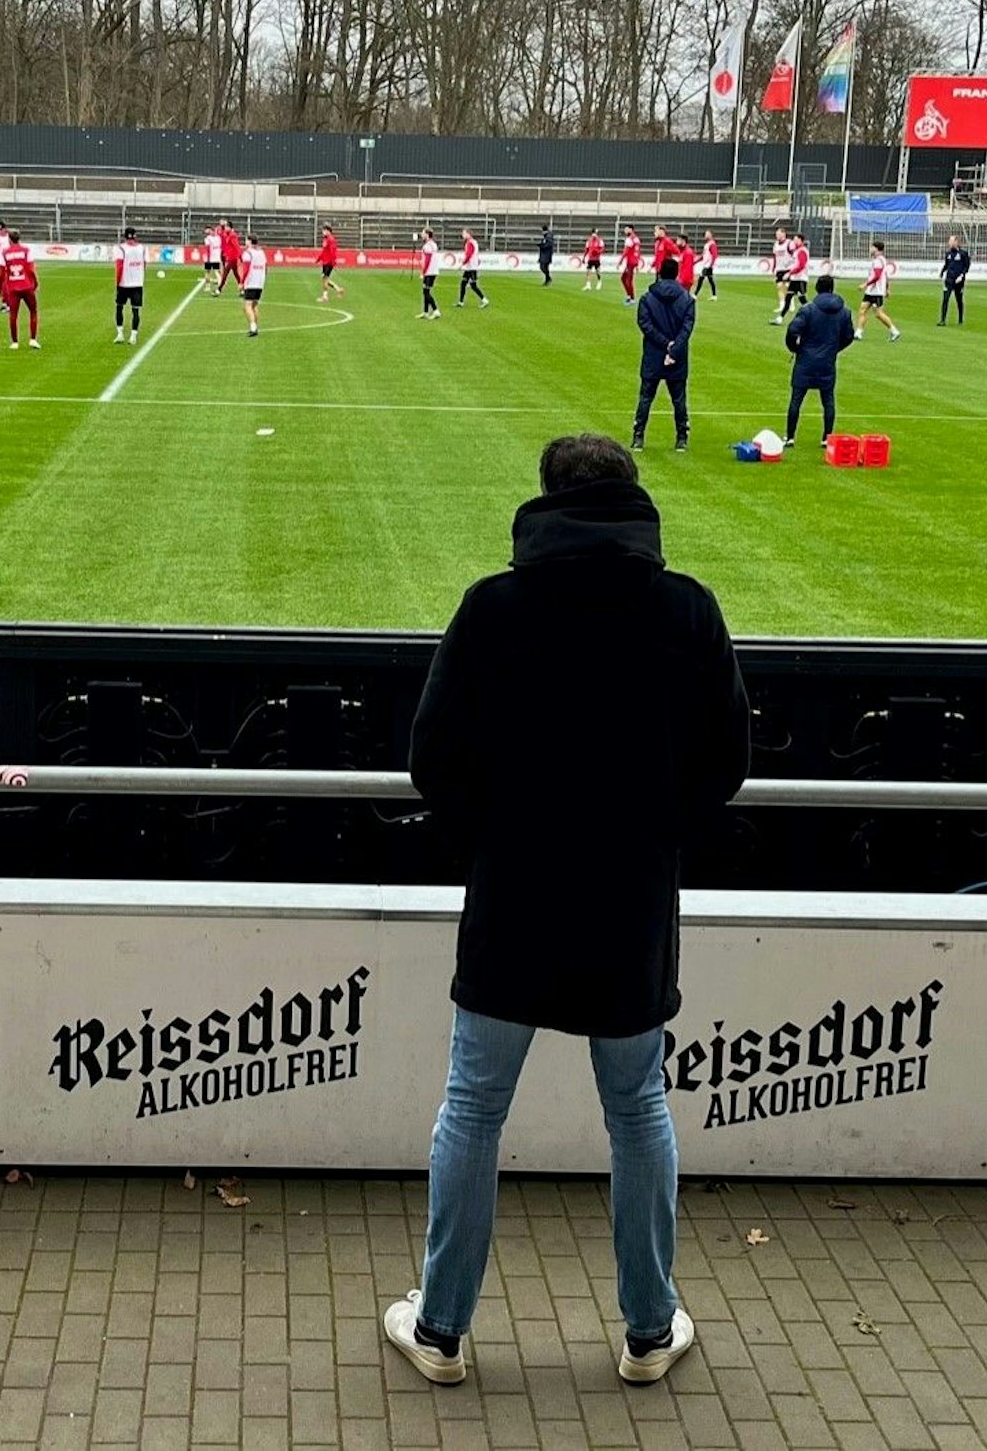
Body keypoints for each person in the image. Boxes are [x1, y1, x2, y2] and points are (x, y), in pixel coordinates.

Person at [388, 430, 751, 1391]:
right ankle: (648, 1329)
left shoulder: (494, 608)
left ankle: (441, 1329)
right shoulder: (686, 610)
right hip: (629, 905)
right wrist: (654, 834)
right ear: (631, 499)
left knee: (474, 1110)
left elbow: (433, 756)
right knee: (637, 1110)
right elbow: (726, 760)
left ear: (548, 498)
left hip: (516, 896)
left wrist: (494, 837)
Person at [785, 274, 857, 446]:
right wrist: (834, 349)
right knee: (828, 401)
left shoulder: (808, 310)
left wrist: (795, 348)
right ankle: (827, 438)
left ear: (817, 288)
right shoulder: (844, 312)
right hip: (827, 362)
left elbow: (792, 331)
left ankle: (790, 436)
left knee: (796, 399)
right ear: (832, 289)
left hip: (805, 360)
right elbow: (849, 337)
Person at [632, 256, 695, 452]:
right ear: (676, 274)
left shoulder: (647, 298)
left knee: (646, 397)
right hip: (677, 356)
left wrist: (664, 343)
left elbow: (645, 324)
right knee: (679, 399)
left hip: (654, 354)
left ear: (659, 273)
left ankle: (638, 436)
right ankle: (681, 438)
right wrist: (673, 348)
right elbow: (687, 328)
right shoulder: (687, 299)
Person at [854, 242, 901, 342]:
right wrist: (887, 288)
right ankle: (858, 333)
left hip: (876, 291)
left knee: (878, 314)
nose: (870, 249)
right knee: (862, 310)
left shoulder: (878, 261)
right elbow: (885, 276)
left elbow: (877, 276)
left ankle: (894, 331)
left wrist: (865, 284)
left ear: (876, 249)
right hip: (871, 291)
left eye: (872, 247)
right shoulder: (881, 260)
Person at [3, 228, 40, 349]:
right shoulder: (26, 250)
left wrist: (0, 288)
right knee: (33, 311)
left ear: (9, 239)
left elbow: (2, 272)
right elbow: (31, 269)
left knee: (13, 314)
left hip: (13, 287)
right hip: (27, 285)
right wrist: (36, 282)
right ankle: (33, 339)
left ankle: (15, 342)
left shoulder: (5, 252)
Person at [113, 226, 146, 343]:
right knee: (135, 310)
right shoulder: (142, 248)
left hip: (124, 283)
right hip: (137, 284)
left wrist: (117, 282)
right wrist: (140, 276)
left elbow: (119, 266)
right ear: (135, 236)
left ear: (125, 236)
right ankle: (133, 336)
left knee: (119, 307)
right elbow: (144, 264)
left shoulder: (121, 248)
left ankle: (120, 334)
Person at [777, 234, 811, 322]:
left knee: (802, 300)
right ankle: (780, 318)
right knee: (788, 298)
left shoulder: (802, 251)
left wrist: (789, 273)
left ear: (801, 240)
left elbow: (801, 266)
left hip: (801, 279)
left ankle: (814, 316)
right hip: (795, 279)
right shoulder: (797, 251)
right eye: (794, 240)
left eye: (796, 240)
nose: (794, 241)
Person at [939, 235, 971, 326]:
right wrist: (942, 272)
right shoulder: (948, 253)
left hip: (958, 281)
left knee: (959, 300)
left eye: (951, 241)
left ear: (956, 242)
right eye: (949, 241)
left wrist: (962, 275)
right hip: (949, 280)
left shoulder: (963, 253)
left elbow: (966, 266)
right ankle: (942, 320)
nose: (949, 243)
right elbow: (946, 265)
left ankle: (960, 319)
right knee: (945, 299)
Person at [240, 234, 268, 336]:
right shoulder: (261, 252)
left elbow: (246, 269)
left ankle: (253, 328)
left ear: (250, 241)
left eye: (246, 240)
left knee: (247, 305)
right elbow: (266, 267)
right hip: (260, 282)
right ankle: (255, 326)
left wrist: (242, 282)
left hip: (251, 282)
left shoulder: (248, 253)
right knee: (254, 305)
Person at [458, 230, 489, 309]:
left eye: (464, 234)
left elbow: (469, 254)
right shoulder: (474, 242)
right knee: (463, 283)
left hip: (471, 267)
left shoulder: (470, 243)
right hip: (471, 267)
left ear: (468, 234)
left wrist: (462, 264)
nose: (462, 235)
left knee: (473, 285)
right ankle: (461, 302)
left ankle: (484, 300)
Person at [768, 226, 792, 321]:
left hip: (788, 268)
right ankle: (782, 305)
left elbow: (794, 254)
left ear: (783, 234)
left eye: (778, 234)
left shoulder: (789, 243)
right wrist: (774, 268)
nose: (777, 236)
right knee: (779, 287)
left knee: (787, 286)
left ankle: (790, 303)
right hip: (779, 268)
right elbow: (775, 257)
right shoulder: (776, 245)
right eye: (776, 234)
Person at [419, 229, 443, 320]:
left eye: (423, 233)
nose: (421, 235)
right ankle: (425, 312)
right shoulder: (433, 244)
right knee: (425, 291)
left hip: (429, 272)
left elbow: (427, 260)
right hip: (433, 271)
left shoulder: (427, 246)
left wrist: (423, 272)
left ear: (427, 234)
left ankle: (436, 310)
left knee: (426, 292)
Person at [318, 226, 345, 302]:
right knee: (325, 279)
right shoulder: (326, 239)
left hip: (328, 262)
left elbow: (333, 251)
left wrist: (333, 262)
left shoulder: (331, 239)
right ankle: (338, 289)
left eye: (324, 230)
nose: (323, 232)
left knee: (325, 279)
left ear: (328, 231)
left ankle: (325, 297)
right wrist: (319, 258)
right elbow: (324, 251)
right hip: (325, 262)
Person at [218, 222, 244, 296]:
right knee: (236, 274)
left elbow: (236, 246)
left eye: (226, 227)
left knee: (225, 273)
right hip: (230, 257)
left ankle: (219, 289)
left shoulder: (232, 236)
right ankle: (242, 289)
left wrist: (240, 256)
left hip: (233, 257)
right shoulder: (227, 234)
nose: (225, 228)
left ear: (230, 228)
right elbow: (221, 233)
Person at [619, 227, 642, 304]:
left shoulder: (629, 239)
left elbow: (626, 251)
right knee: (624, 278)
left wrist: (620, 261)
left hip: (630, 262)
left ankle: (632, 298)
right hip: (634, 261)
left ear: (631, 229)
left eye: (626, 229)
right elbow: (638, 251)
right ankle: (629, 296)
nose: (625, 231)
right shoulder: (636, 239)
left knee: (628, 280)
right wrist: (637, 262)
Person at [695, 231, 718, 299]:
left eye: (707, 234)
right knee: (710, 280)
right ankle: (714, 296)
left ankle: (695, 295)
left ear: (711, 235)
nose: (705, 235)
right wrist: (695, 262)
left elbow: (714, 255)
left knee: (701, 279)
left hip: (708, 265)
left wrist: (711, 265)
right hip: (706, 265)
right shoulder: (707, 245)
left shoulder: (712, 244)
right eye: (705, 234)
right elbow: (703, 256)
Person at [202, 223, 223, 293]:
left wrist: (208, 259)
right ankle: (219, 286)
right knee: (216, 272)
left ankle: (208, 286)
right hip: (217, 258)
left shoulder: (207, 238)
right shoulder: (219, 238)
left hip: (211, 258)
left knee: (208, 272)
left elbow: (208, 249)